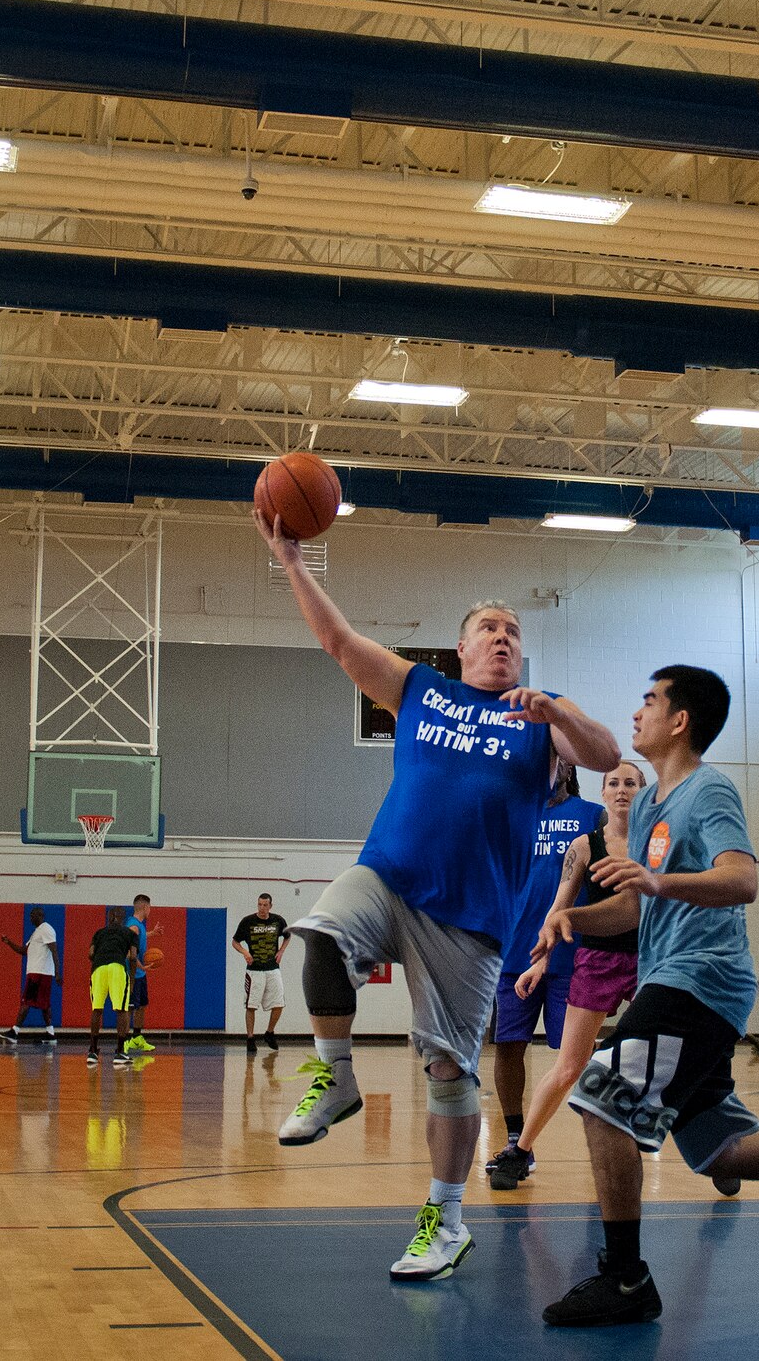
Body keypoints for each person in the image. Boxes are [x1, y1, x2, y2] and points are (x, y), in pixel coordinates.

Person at [256, 507, 620, 1283]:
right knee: (320, 932)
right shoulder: (422, 691)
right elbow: (339, 643)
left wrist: (555, 710)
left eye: (513, 633)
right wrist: (292, 562)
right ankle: (336, 1074)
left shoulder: (539, 714)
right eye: (488, 628)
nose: (501, 638)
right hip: (390, 876)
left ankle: (445, 1220)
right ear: (459, 648)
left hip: (472, 921)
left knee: (450, 1072)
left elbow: (606, 752)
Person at [537, 666, 759, 1327]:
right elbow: (636, 911)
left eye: (649, 700)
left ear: (680, 720)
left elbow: (741, 879)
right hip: (676, 978)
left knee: (601, 1099)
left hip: (700, 981)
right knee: (716, 1148)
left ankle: (626, 1278)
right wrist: (571, 921)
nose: (637, 711)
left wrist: (663, 885)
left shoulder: (708, 791)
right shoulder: (651, 813)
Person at [500, 760, 648, 1181]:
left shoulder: (658, 843)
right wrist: (541, 961)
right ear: (603, 793)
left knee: (675, 1055)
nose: (622, 790)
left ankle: (717, 1150)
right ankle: (520, 1150)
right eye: (614, 783)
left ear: (644, 791)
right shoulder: (584, 845)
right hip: (597, 959)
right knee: (568, 1066)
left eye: (631, 783)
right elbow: (558, 909)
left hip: (649, 960)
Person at [485, 759, 604, 1190]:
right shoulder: (512, 816)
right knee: (507, 1047)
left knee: (575, 1059)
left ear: (569, 771)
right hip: (516, 950)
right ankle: (518, 1139)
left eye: (555, 766)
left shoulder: (593, 815)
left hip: (574, 953)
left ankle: (602, 1140)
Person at [232, 893, 291, 1051]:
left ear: (270, 906)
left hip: (273, 969)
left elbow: (287, 936)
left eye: (265, 905)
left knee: (279, 1004)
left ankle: (269, 1032)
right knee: (251, 1006)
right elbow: (235, 942)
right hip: (254, 970)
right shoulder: (248, 921)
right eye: (259, 904)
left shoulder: (278, 920)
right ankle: (250, 1038)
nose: (262, 908)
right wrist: (245, 952)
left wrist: (281, 951)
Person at [86, 906, 143, 1068]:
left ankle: (92, 1051)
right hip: (117, 968)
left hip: (98, 968)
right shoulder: (130, 934)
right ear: (123, 919)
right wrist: (131, 981)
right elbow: (133, 957)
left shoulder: (99, 933)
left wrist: (100, 961)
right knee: (122, 1009)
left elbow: (90, 953)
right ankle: (119, 1052)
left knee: (97, 1009)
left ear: (109, 918)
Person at [0, 908, 58, 1046]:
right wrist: (8, 942)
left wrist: (57, 972)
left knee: (26, 1002)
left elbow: (54, 950)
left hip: (39, 973)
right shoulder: (36, 932)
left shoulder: (46, 929)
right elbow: (23, 950)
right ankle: (50, 1034)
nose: (30, 918)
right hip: (39, 973)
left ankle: (14, 1032)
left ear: (40, 915)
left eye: (32, 915)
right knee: (45, 1004)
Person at [123, 894, 156, 1054]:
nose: (150, 910)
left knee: (142, 1006)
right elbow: (129, 953)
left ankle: (137, 1038)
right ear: (144, 907)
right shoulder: (133, 926)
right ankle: (124, 1040)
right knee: (129, 1008)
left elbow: (140, 936)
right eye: (150, 907)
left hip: (140, 975)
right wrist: (142, 966)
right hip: (132, 974)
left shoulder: (139, 926)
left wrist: (152, 933)